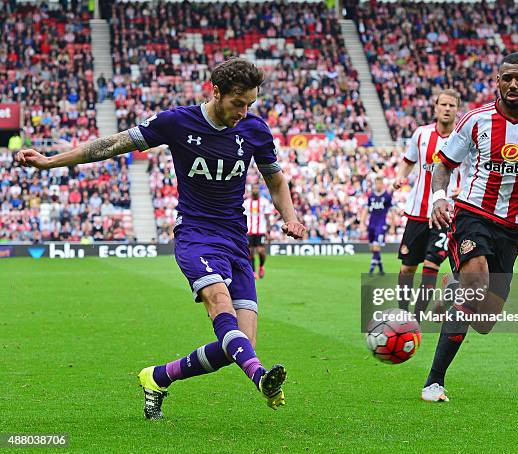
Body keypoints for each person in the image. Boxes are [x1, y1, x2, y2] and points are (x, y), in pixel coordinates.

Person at [15, 57, 307, 418]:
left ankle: (157, 376)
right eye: (237, 103)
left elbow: (275, 180)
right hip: (196, 236)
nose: (244, 112)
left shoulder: (255, 130)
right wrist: (49, 161)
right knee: (219, 300)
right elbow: (111, 145)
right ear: (215, 92)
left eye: (251, 103)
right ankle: (261, 377)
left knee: (238, 345)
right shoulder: (176, 122)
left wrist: (291, 218)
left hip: (235, 240)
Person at [422, 52, 518, 402]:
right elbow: (443, 165)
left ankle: (452, 288)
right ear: (497, 81)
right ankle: (434, 382)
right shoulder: (474, 121)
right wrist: (439, 198)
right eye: (507, 78)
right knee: (475, 285)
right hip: (473, 214)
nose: (513, 84)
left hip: (515, 229)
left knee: (484, 321)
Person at [393, 89, 463, 320]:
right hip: (417, 211)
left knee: (432, 265)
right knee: (407, 269)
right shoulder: (421, 134)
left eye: (451, 105)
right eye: (443, 104)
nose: (447, 109)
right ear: (435, 107)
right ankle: (403, 313)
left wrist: (462, 189)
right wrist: (400, 177)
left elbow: (472, 170)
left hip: (444, 213)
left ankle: (417, 317)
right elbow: (408, 161)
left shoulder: (463, 137)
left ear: (457, 110)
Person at [362, 176, 392, 275]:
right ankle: (381, 268)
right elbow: (366, 209)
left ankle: (371, 269)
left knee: (376, 246)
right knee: (372, 247)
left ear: (382, 184)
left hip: (381, 224)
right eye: (376, 183)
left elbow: (390, 211)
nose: (378, 185)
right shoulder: (371, 196)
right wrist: (362, 222)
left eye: (380, 183)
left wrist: (392, 226)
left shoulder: (387, 196)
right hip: (371, 224)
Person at [244, 183, 273, 279]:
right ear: (251, 190)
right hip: (249, 231)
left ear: (259, 190)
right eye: (254, 189)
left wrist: (268, 232)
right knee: (251, 252)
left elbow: (268, 218)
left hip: (261, 230)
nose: (255, 190)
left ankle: (261, 266)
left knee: (261, 251)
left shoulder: (264, 202)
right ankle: (253, 271)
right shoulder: (246, 203)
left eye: (257, 189)